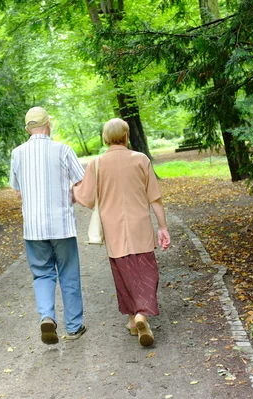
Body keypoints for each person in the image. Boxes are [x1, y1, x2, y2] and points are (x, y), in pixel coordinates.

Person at [73, 118, 170, 347]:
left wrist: (73, 188)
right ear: (127, 136)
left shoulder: (96, 164)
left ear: (105, 138)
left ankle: (133, 320)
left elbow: (85, 198)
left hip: (114, 229)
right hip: (140, 226)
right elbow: (155, 197)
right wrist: (163, 227)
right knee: (146, 270)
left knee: (124, 274)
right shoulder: (141, 160)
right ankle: (140, 317)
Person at [9, 106, 87, 344]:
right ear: (48, 124)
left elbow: (18, 191)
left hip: (33, 228)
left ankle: (47, 316)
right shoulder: (63, 150)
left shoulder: (17, 153)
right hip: (61, 225)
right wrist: (71, 195)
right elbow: (81, 183)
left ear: (27, 129)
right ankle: (74, 327)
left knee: (42, 274)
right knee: (68, 273)